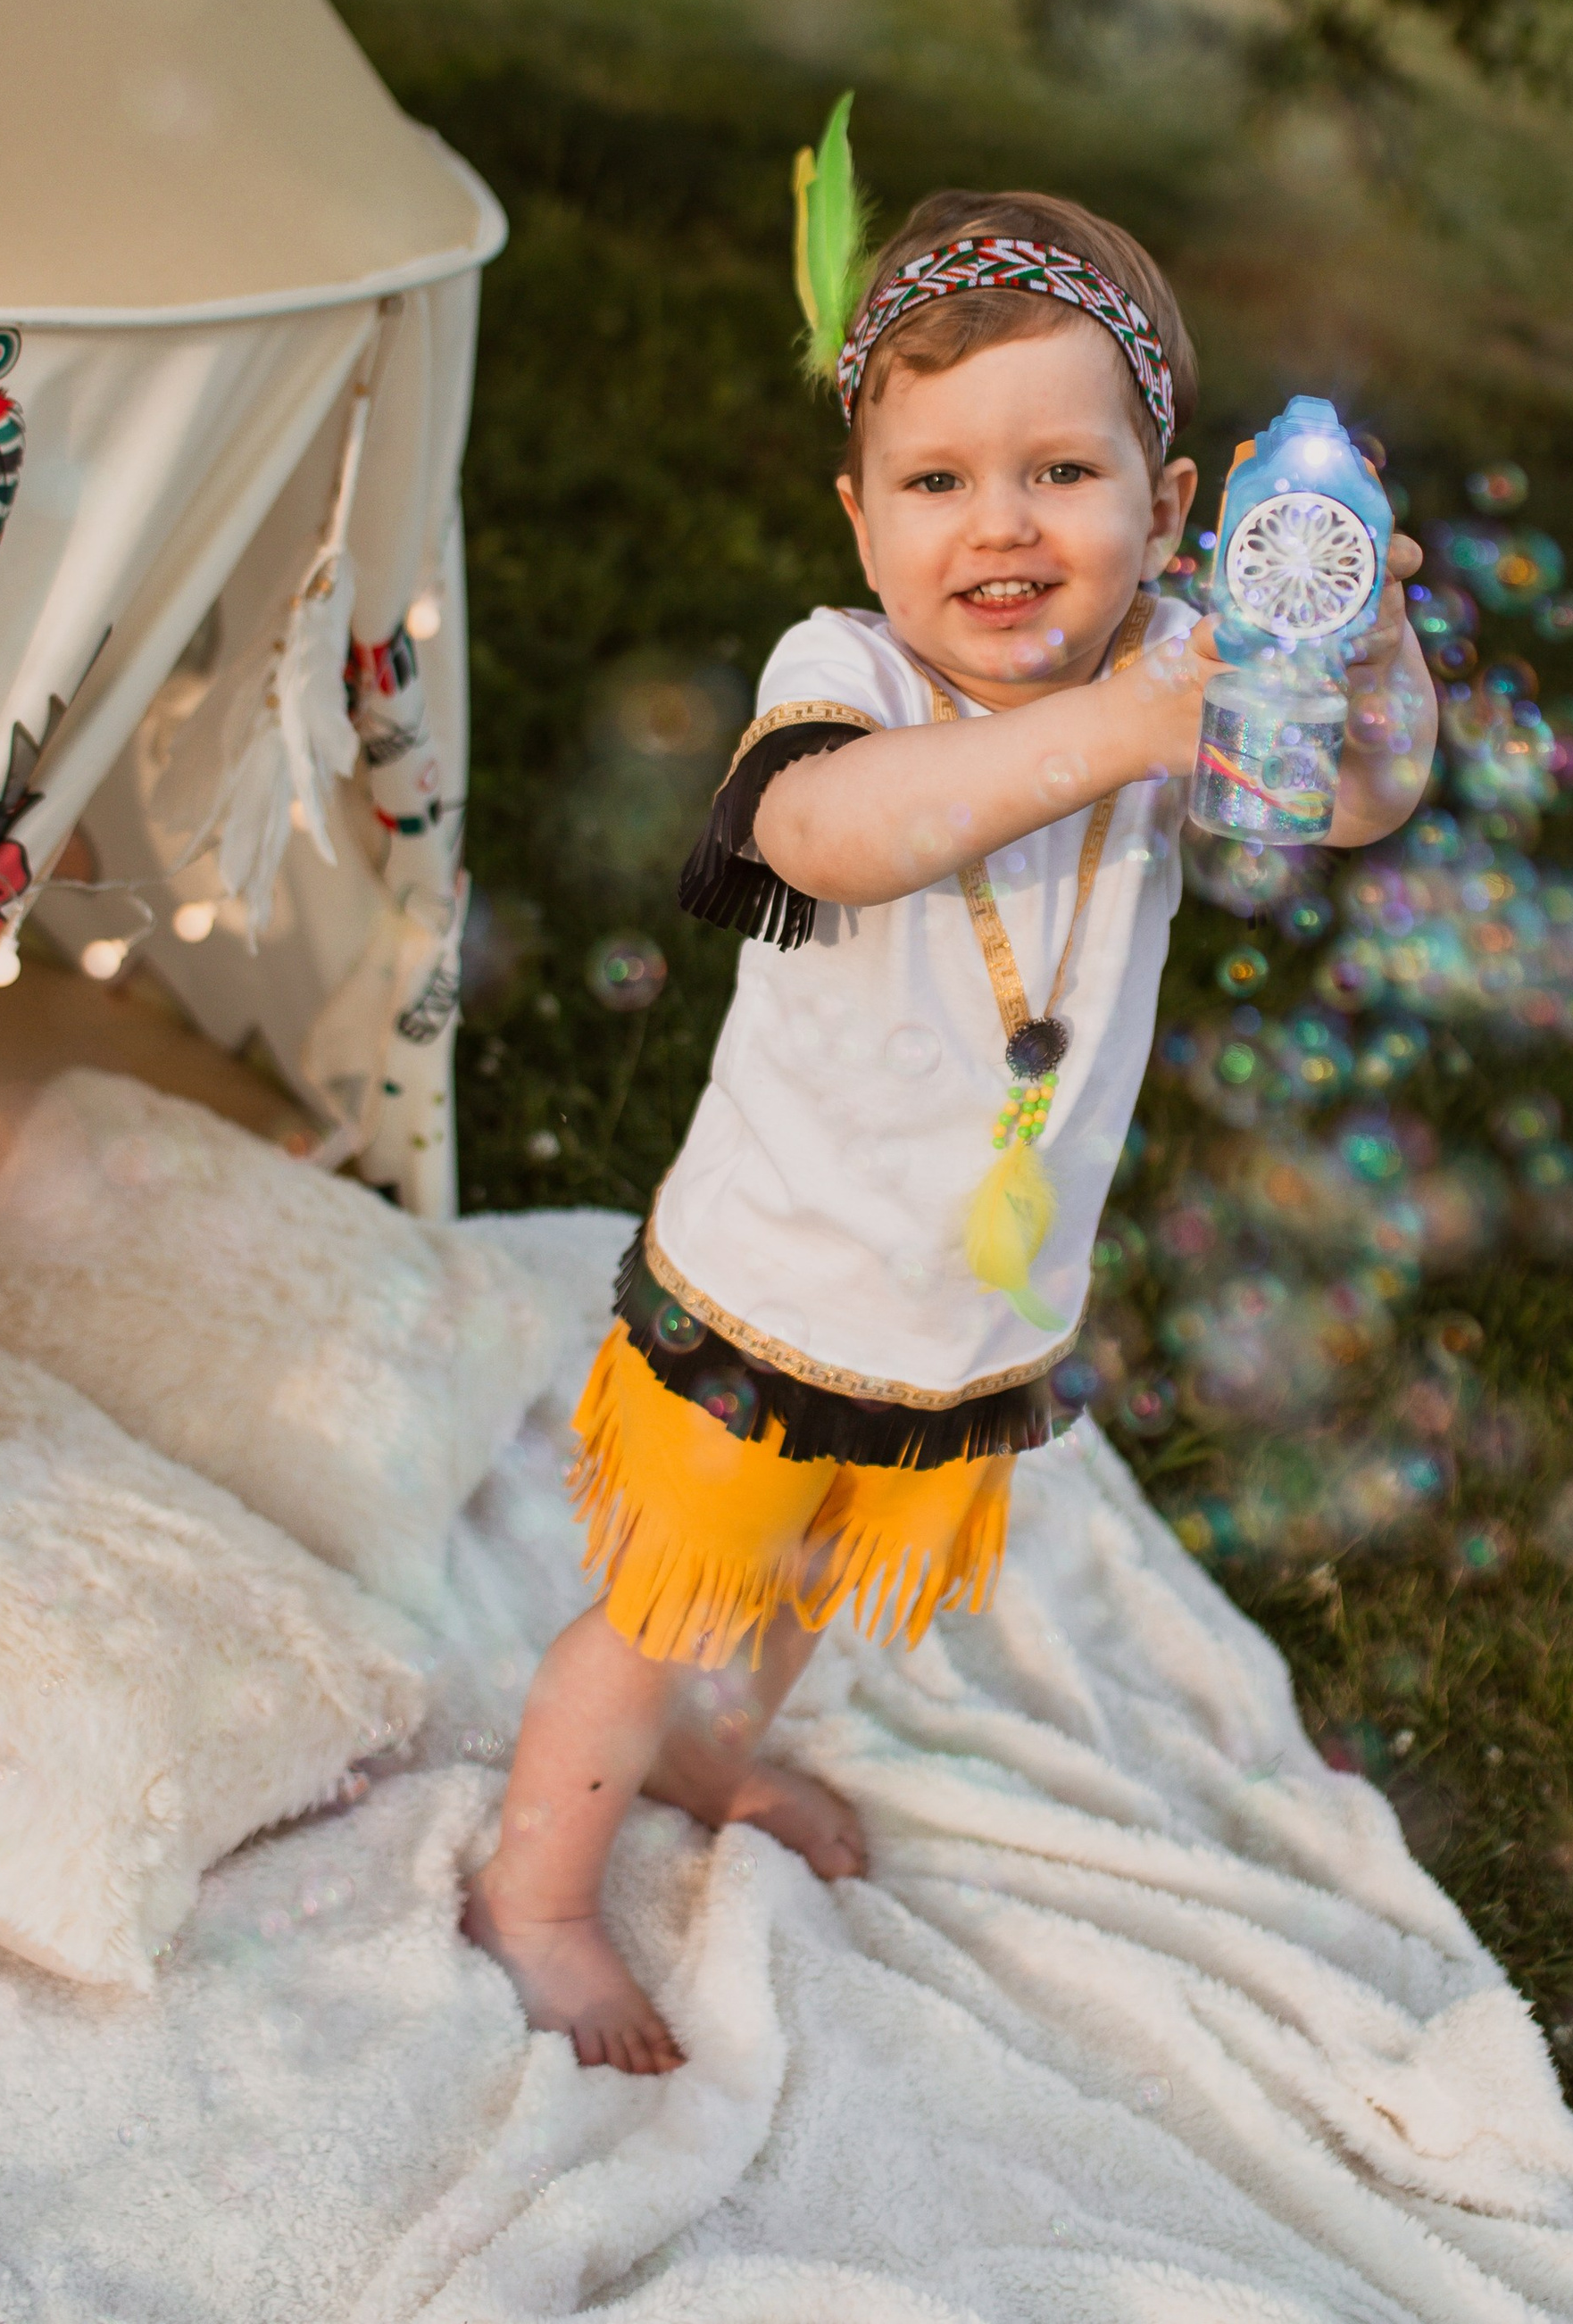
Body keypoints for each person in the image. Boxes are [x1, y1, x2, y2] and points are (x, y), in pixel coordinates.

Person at [464, 187, 1436, 2070]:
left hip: (960, 1315)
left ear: (1166, 518)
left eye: (1061, 470)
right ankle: (540, 1892)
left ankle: (710, 1752)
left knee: (814, 1576)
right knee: (661, 1598)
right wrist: (1132, 725)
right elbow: (826, 835)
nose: (996, 525)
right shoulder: (848, 678)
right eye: (934, 483)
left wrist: (1359, 634)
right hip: (775, 1283)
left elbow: (1361, 801)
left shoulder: (1169, 662)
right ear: (858, 518)